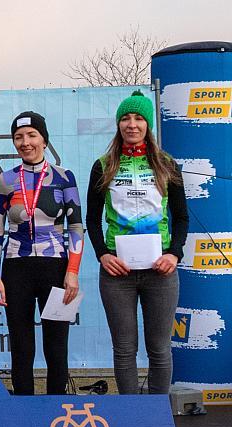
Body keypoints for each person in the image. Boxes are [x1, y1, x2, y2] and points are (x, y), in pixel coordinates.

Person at [86, 90, 188, 394]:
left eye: (139, 118)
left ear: (148, 124)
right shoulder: (103, 165)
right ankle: (130, 416)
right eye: (126, 118)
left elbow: (181, 217)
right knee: (124, 350)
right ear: (118, 125)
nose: (132, 124)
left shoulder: (167, 164)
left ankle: (158, 415)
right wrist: (103, 255)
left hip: (161, 272)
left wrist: (174, 255)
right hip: (118, 272)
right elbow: (92, 219)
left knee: (159, 349)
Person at [0, 111, 84, 395]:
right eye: (18, 137)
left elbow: (76, 227)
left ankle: (57, 407)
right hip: (16, 268)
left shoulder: (64, 177)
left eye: (31, 135)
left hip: (56, 267)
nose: (25, 142)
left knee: (56, 345)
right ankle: (23, 410)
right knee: (21, 343)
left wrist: (73, 272)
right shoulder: (4, 180)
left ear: (44, 139)